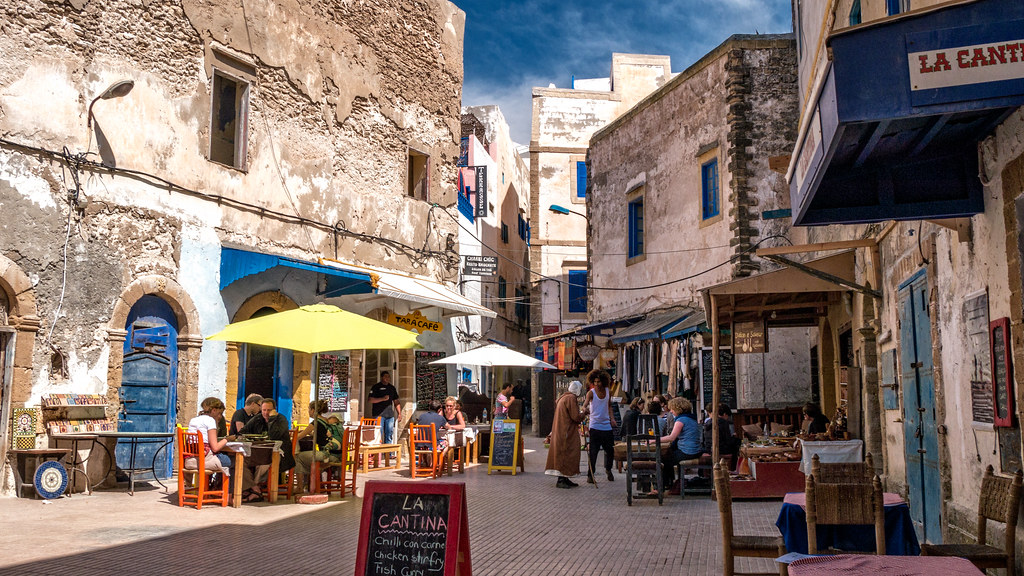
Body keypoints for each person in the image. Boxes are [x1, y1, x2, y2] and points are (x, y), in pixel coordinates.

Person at [240, 398, 295, 493]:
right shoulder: (258, 418)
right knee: (241, 461)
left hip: (279, 455)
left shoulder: (281, 420)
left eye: (269, 410)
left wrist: (272, 419)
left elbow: (274, 436)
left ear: (274, 410)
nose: (266, 413)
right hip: (260, 453)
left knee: (262, 465)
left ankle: (254, 489)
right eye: (263, 410)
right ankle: (252, 487)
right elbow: (243, 431)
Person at [544, 380, 585, 488]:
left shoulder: (564, 397)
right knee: (566, 453)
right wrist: (584, 413)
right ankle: (561, 479)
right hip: (566, 432)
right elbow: (575, 416)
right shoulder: (571, 398)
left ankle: (565, 477)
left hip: (562, 430)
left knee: (565, 453)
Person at [659, 397, 702, 493]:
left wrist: (655, 440)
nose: (671, 412)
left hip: (687, 451)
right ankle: (673, 483)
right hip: (696, 450)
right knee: (668, 457)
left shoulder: (680, 420)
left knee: (663, 460)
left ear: (677, 409)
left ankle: (663, 487)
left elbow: (671, 437)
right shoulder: (692, 418)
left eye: (672, 409)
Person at [187, 397, 232, 483]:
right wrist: (228, 439)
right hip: (204, 460)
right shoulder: (210, 421)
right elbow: (215, 448)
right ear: (214, 410)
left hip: (190, 460)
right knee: (230, 460)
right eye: (219, 413)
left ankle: (210, 487)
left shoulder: (194, 420)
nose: (220, 416)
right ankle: (222, 489)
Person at [582, 369, 615, 483]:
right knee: (593, 452)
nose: (596, 384)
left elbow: (609, 406)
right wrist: (584, 408)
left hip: (606, 425)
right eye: (595, 382)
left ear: (604, 382)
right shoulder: (591, 393)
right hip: (595, 425)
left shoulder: (608, 391)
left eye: (599, 382)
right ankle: (590, 474)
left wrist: (612, 419)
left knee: (610, 450)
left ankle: (608, 469)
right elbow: (585, 404)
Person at [294, 400, 331, 494]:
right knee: (306, 458)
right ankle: (315, 483)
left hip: (324, 454)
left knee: (297, 458)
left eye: (309, 409)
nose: (308, 411)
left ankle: (299, 487)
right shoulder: (325, 420)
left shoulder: (315, 422)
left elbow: (298, 437)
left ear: (313, 410)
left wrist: (290, 436)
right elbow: (322, 434)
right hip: (331, 452)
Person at [703, 403, 741, 471]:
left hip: (708, 448)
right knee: (736, 447)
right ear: (724, 414)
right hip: (720, 449)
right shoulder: (723, 422)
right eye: (727, 416)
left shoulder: (708, 422)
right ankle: (733, 469)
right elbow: (728, 440)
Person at [368, 371, 400, 444]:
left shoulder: (392, 388)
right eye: (385, 376)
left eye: (388, 377)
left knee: (389, 435)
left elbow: (396, 401)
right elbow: (370, 400)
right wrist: (382, 399)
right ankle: (378, 454)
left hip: (390, 415)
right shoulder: (376, 387)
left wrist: (399, 413)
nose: (387, 378)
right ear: (382, 377)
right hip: (378, 415)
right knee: (378, 434)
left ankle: (388, 454)